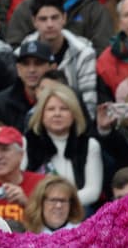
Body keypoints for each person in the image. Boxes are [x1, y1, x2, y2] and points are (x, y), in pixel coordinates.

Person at [15, 0, 98, 116]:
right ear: (34, 21)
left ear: (64, 18)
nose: (50, 24)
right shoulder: (20, 55)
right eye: (43, 19)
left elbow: (89, 105)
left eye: (54, 18)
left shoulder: (84, 53)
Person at [24, 80, 103, 208]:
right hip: (38, 210)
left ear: (74, 114)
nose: (57, 114)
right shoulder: (27, 143)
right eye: (51, 109)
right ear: (41, 114)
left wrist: (61, 203)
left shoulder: (89, 145)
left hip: (78, 210)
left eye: (64, 109)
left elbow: (93, 191)